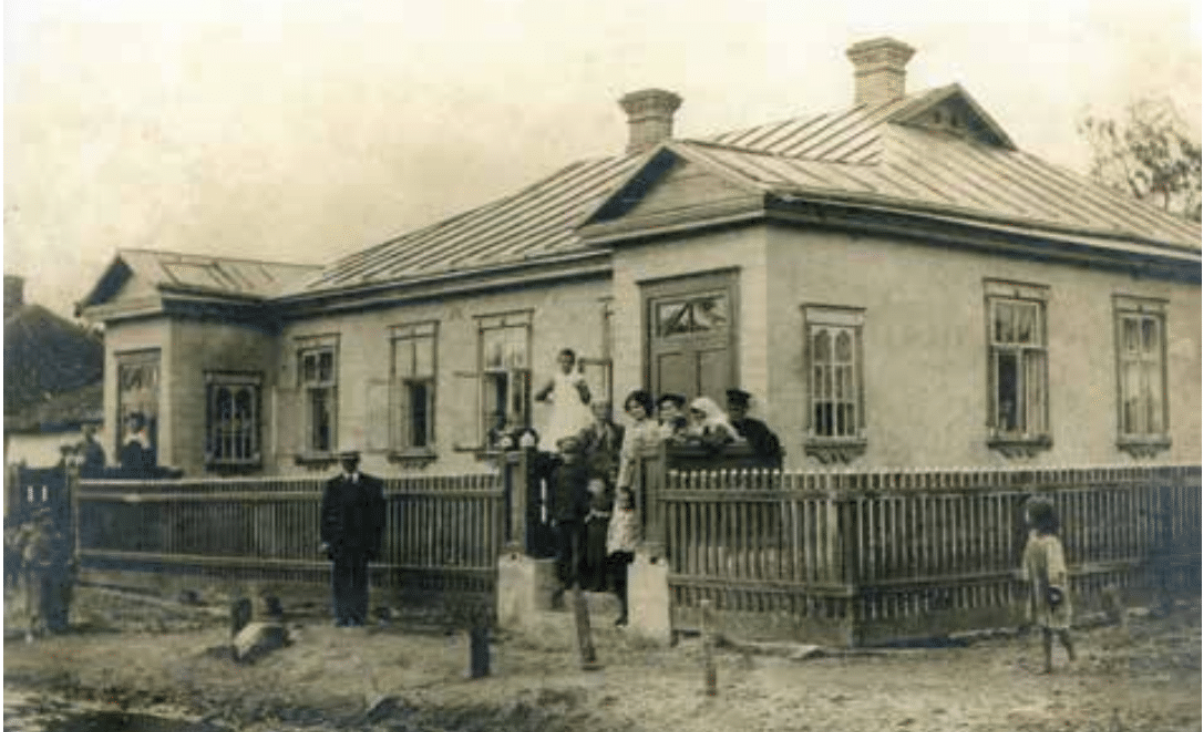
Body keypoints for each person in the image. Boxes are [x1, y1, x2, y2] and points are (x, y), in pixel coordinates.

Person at [608, 389, 661, 626]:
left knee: (636, 548)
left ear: (647, 407)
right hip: (625, 486)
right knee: (619, 549)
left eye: (639, 406)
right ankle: (624, 607)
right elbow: (624, 459)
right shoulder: (629, 429)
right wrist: (621, 487)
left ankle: (637, 609)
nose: (635, 410)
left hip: (642, 487)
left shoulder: (653, 427)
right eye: (631, 407)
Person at [319, 450, 386, 628]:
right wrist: (326, 540)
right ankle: (341, 615)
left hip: (361, 542)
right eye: (345, 461)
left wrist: (375, 543)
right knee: (340, 580)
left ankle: (358, 616)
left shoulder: (371, 485)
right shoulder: (333, 486)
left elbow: (378, 519)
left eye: (352, 461)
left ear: (358, 462)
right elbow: (326, 515)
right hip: (339, 542)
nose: (348, 465)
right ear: (341, 463)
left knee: (359, 579)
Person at [1021, 498, 1076, 673]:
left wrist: (1054, 587)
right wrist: (1028, 576)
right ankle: (1047, 664)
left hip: (1052, 587)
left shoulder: (1051, 541)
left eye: (1029, 512)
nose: (1026, 515)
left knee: (1060, 627)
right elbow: (1028, 561)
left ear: (1037, 516)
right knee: (1044, 626)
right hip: (1039, 588)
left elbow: (1055, 566)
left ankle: (1072, 654)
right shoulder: (1033, 538)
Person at [549, 435, 590, 603]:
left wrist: (587, 510)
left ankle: (579, 580)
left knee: (580, 548)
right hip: (561, 515)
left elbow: (587, 493)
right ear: (561, 454)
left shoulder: (582, 471)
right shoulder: (556, 473)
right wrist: (552, 514)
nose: (569, 456)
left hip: (579, 515)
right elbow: (552, 495)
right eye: (566, 453)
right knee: (562, 550)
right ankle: (563, 581)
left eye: (573, 453)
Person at [534, 348, 594, 449]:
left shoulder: (578, 378)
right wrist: (548, 398)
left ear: (573, 363)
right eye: (563, 362)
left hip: (575, 415)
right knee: (555, 443)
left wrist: (580, 389)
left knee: (574, 443)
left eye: (569, 362)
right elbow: (538, 397)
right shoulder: (556, 378)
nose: (565, 365)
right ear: (559, 362)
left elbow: (587, 399)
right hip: (560, 415)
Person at [725, 389, 784, 469]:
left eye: (737, 409)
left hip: (754, 467)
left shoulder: (757, 427)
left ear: (745, 409)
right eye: (731, 409)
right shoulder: (722, 426)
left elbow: (771, 445)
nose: (734, 413)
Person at [578, 401, 624, 486]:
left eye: (607, 408)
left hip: (612, 471)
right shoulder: (586, 432)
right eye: (600, 408)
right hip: (593, 472)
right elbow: (581, 453)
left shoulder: (618, 430)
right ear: (594, 411)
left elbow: (621, 449)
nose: (604, 411)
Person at [581, 473, 613, 593]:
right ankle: (594, 583)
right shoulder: (590, 499)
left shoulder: (607, 499)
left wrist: (599, 515)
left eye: (595, 485)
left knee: (600, 556)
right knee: (592, 556)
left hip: (602, 529)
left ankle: (601, 584)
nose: (592, 487)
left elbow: (610, 514)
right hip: (592, 529)